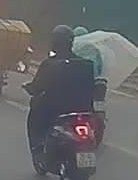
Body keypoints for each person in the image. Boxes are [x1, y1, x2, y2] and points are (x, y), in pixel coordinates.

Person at [24, 25, 98, 155]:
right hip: (83, 109)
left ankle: (38, 148)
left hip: (55, 111)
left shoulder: (49, 64)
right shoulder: (86, 64)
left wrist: (29, 88)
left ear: (55, 42)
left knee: (35, 115)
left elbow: (37, 86)